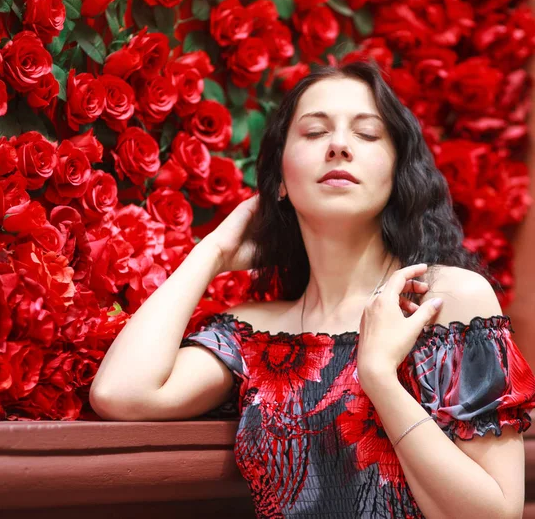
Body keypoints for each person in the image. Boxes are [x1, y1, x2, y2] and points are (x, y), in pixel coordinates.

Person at [89, 61, 535, 518]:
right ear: (280, 179)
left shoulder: (443, 303)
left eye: (367, 134)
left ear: (397, 171)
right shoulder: (253, 333)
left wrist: (380, 377)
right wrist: (214, 252)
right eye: (314, 132)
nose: (339, 146)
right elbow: (122, 394)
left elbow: (495, 514)